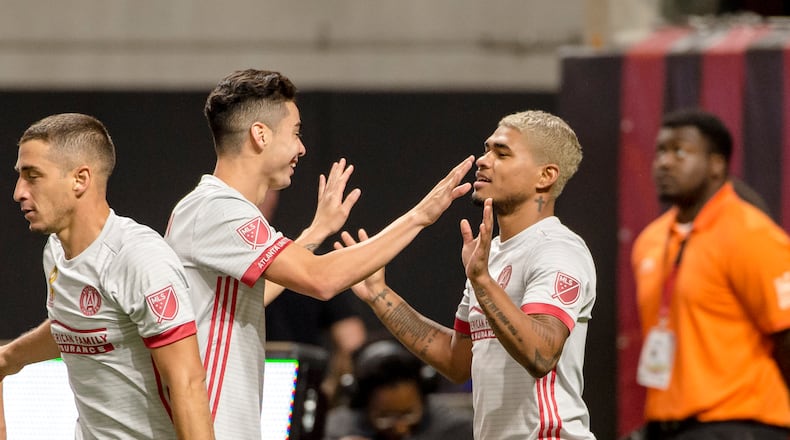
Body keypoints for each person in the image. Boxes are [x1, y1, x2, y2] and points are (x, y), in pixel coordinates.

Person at [164, 68, 474, 439]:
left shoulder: (211, 207)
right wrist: (420, 216)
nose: (302, 148)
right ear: (260, 135)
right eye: (295, 133)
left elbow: (251, 298)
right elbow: (321, 279)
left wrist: (316, 232)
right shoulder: (217, 208)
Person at [341, 110, 597, 439]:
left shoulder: (557, 248)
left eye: (502, 154)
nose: (483, 160)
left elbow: (541, 355)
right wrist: (380, 295)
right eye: (487, 150)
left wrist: (483, 282)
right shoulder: (491, 255)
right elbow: (456, 361)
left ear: (545, 176)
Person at [0, 113, 214, 439]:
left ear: (80, 179)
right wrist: (7, 359)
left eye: (33, 176)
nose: (19, 192)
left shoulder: (138, 257)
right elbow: (75, 324)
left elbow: (188, 384)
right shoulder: (54, 252)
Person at [631, 108, 790, 439]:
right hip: (669, 425)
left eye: (679, 151)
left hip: (741, 423)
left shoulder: (752, 234)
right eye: (660, 151)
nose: (664, 162)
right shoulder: (650, 241)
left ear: (716, 165)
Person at [323, 338, 474, 440]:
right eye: (385, 417)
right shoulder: (335, 430)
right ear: (362, 405)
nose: (400, 428)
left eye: (408, 414)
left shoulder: (455, 430)